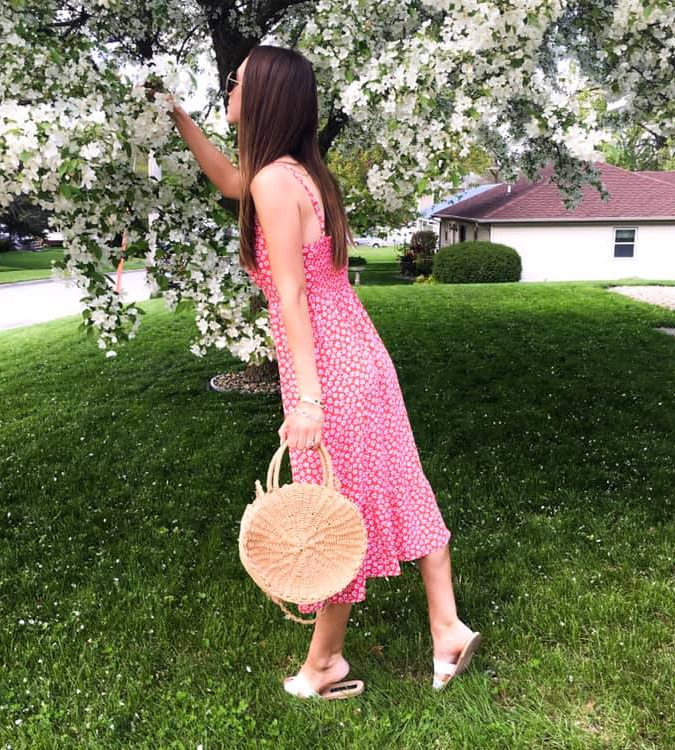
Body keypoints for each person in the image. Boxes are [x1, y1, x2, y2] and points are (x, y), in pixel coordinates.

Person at [161, 44, 481, 699]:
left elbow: (293, 294)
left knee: (333, 514)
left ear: (268, 97)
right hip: (358, 354)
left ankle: (323, 666)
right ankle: (446, 626)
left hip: (331, 370)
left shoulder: (276, 182)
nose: (228, 92)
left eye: (237, 82)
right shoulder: (292, 173)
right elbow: (229, 181)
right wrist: (177, 117)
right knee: (391, 485)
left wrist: (308, 399)